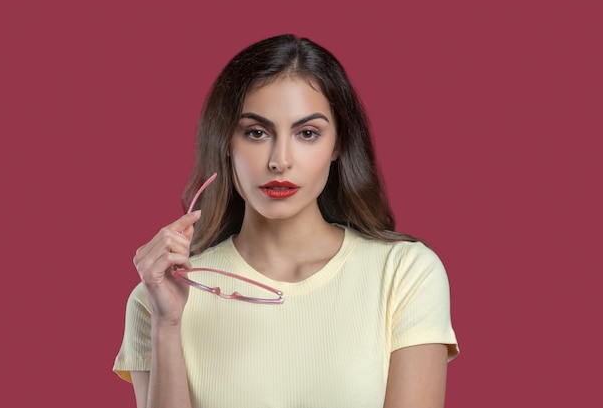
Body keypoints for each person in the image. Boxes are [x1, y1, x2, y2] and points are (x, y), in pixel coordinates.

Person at [113, 34, 459, 408]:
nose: (280, 160)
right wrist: (168, 326)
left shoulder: (405, 274)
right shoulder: (158, 299)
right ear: (227, 142)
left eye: (307, 133)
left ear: (337, 144)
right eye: (256, 133)